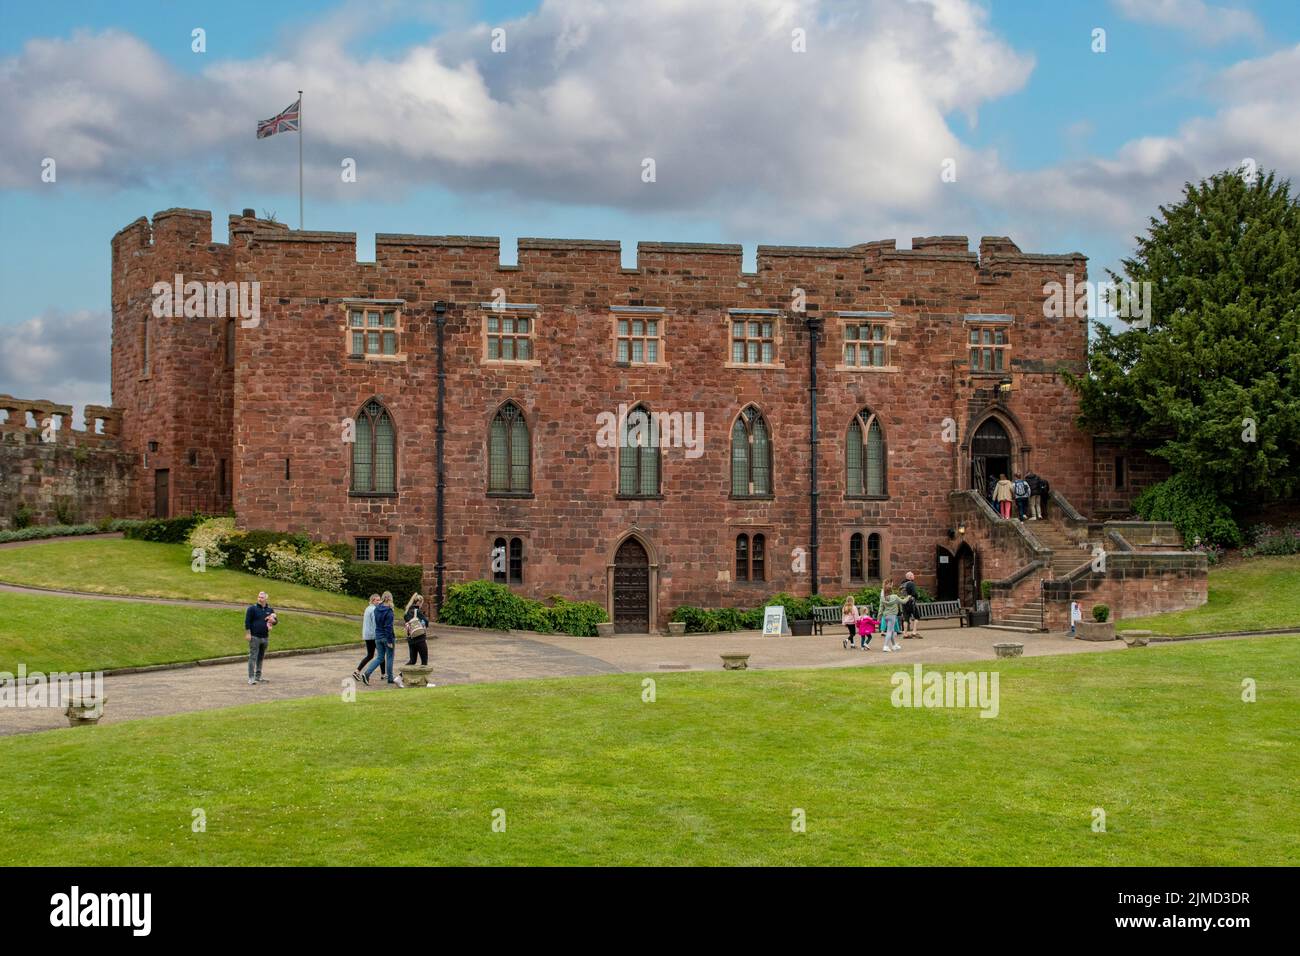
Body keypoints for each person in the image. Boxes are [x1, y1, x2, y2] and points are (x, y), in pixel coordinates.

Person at [362, 591, 400, 686]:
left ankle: (367, 673)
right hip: (387, 637)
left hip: (378, 637)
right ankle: (390, 678)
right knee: (390, 657)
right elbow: (388, 627)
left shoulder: (376, 609)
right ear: (390, 599)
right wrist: (390, 640)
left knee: (379, 657)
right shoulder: (389, 611)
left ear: (382, 598)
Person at [244, 591, 277, 686]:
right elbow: (247, 622)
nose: (259, 599)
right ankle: (251, 678)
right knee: (253, 657)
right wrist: (248, 634)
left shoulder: (270, 610)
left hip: (265, 637)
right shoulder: (252, 609)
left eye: (262, 597)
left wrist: (273, 620)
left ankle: (258, 676)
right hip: (254, 636)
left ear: (266, 599)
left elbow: (275, 622)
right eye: (258, 597)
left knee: (261, 657)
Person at [352, 594, 383, 682]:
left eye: (379, 600)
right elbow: (375, 624)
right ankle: (384, 674)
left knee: (370, 655)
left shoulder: (367, 608)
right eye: (377, 600)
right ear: (372, 601)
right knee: (381, 655)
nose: (379, 601)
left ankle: (357, 671)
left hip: (367, 635)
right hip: (373, 635)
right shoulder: (374, 609)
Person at [403, 594, 430, 666]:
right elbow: (426, 623)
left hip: (411, 639)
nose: (421, 605)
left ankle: (400, 676)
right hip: (420, 639)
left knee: (412, 661)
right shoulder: (417, 611)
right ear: (418, 602)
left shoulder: (406, 612)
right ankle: (423, 677)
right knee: (424, 662)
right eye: (422, 603)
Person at [879, 585, 903, 652]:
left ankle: (894, 645)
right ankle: (885, 646)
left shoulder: (883, 598)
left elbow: (881, 607)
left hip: (885, 616)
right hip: (891, 616)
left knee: (891, 631)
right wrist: (908, 597)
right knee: (889, 631)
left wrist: (879, 616)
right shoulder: (894, 597)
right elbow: (902, 601)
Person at [900, 571, 921, 639]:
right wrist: (917, 597)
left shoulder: (902, 584)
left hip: (904, 602)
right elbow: (914, 593)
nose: (914, 576)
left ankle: (905, 633)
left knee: (906, 618)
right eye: (913, 575)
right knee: (917, 616)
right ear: (910, 577)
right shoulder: (911, 583)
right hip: (911, 602)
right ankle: (914, 632)